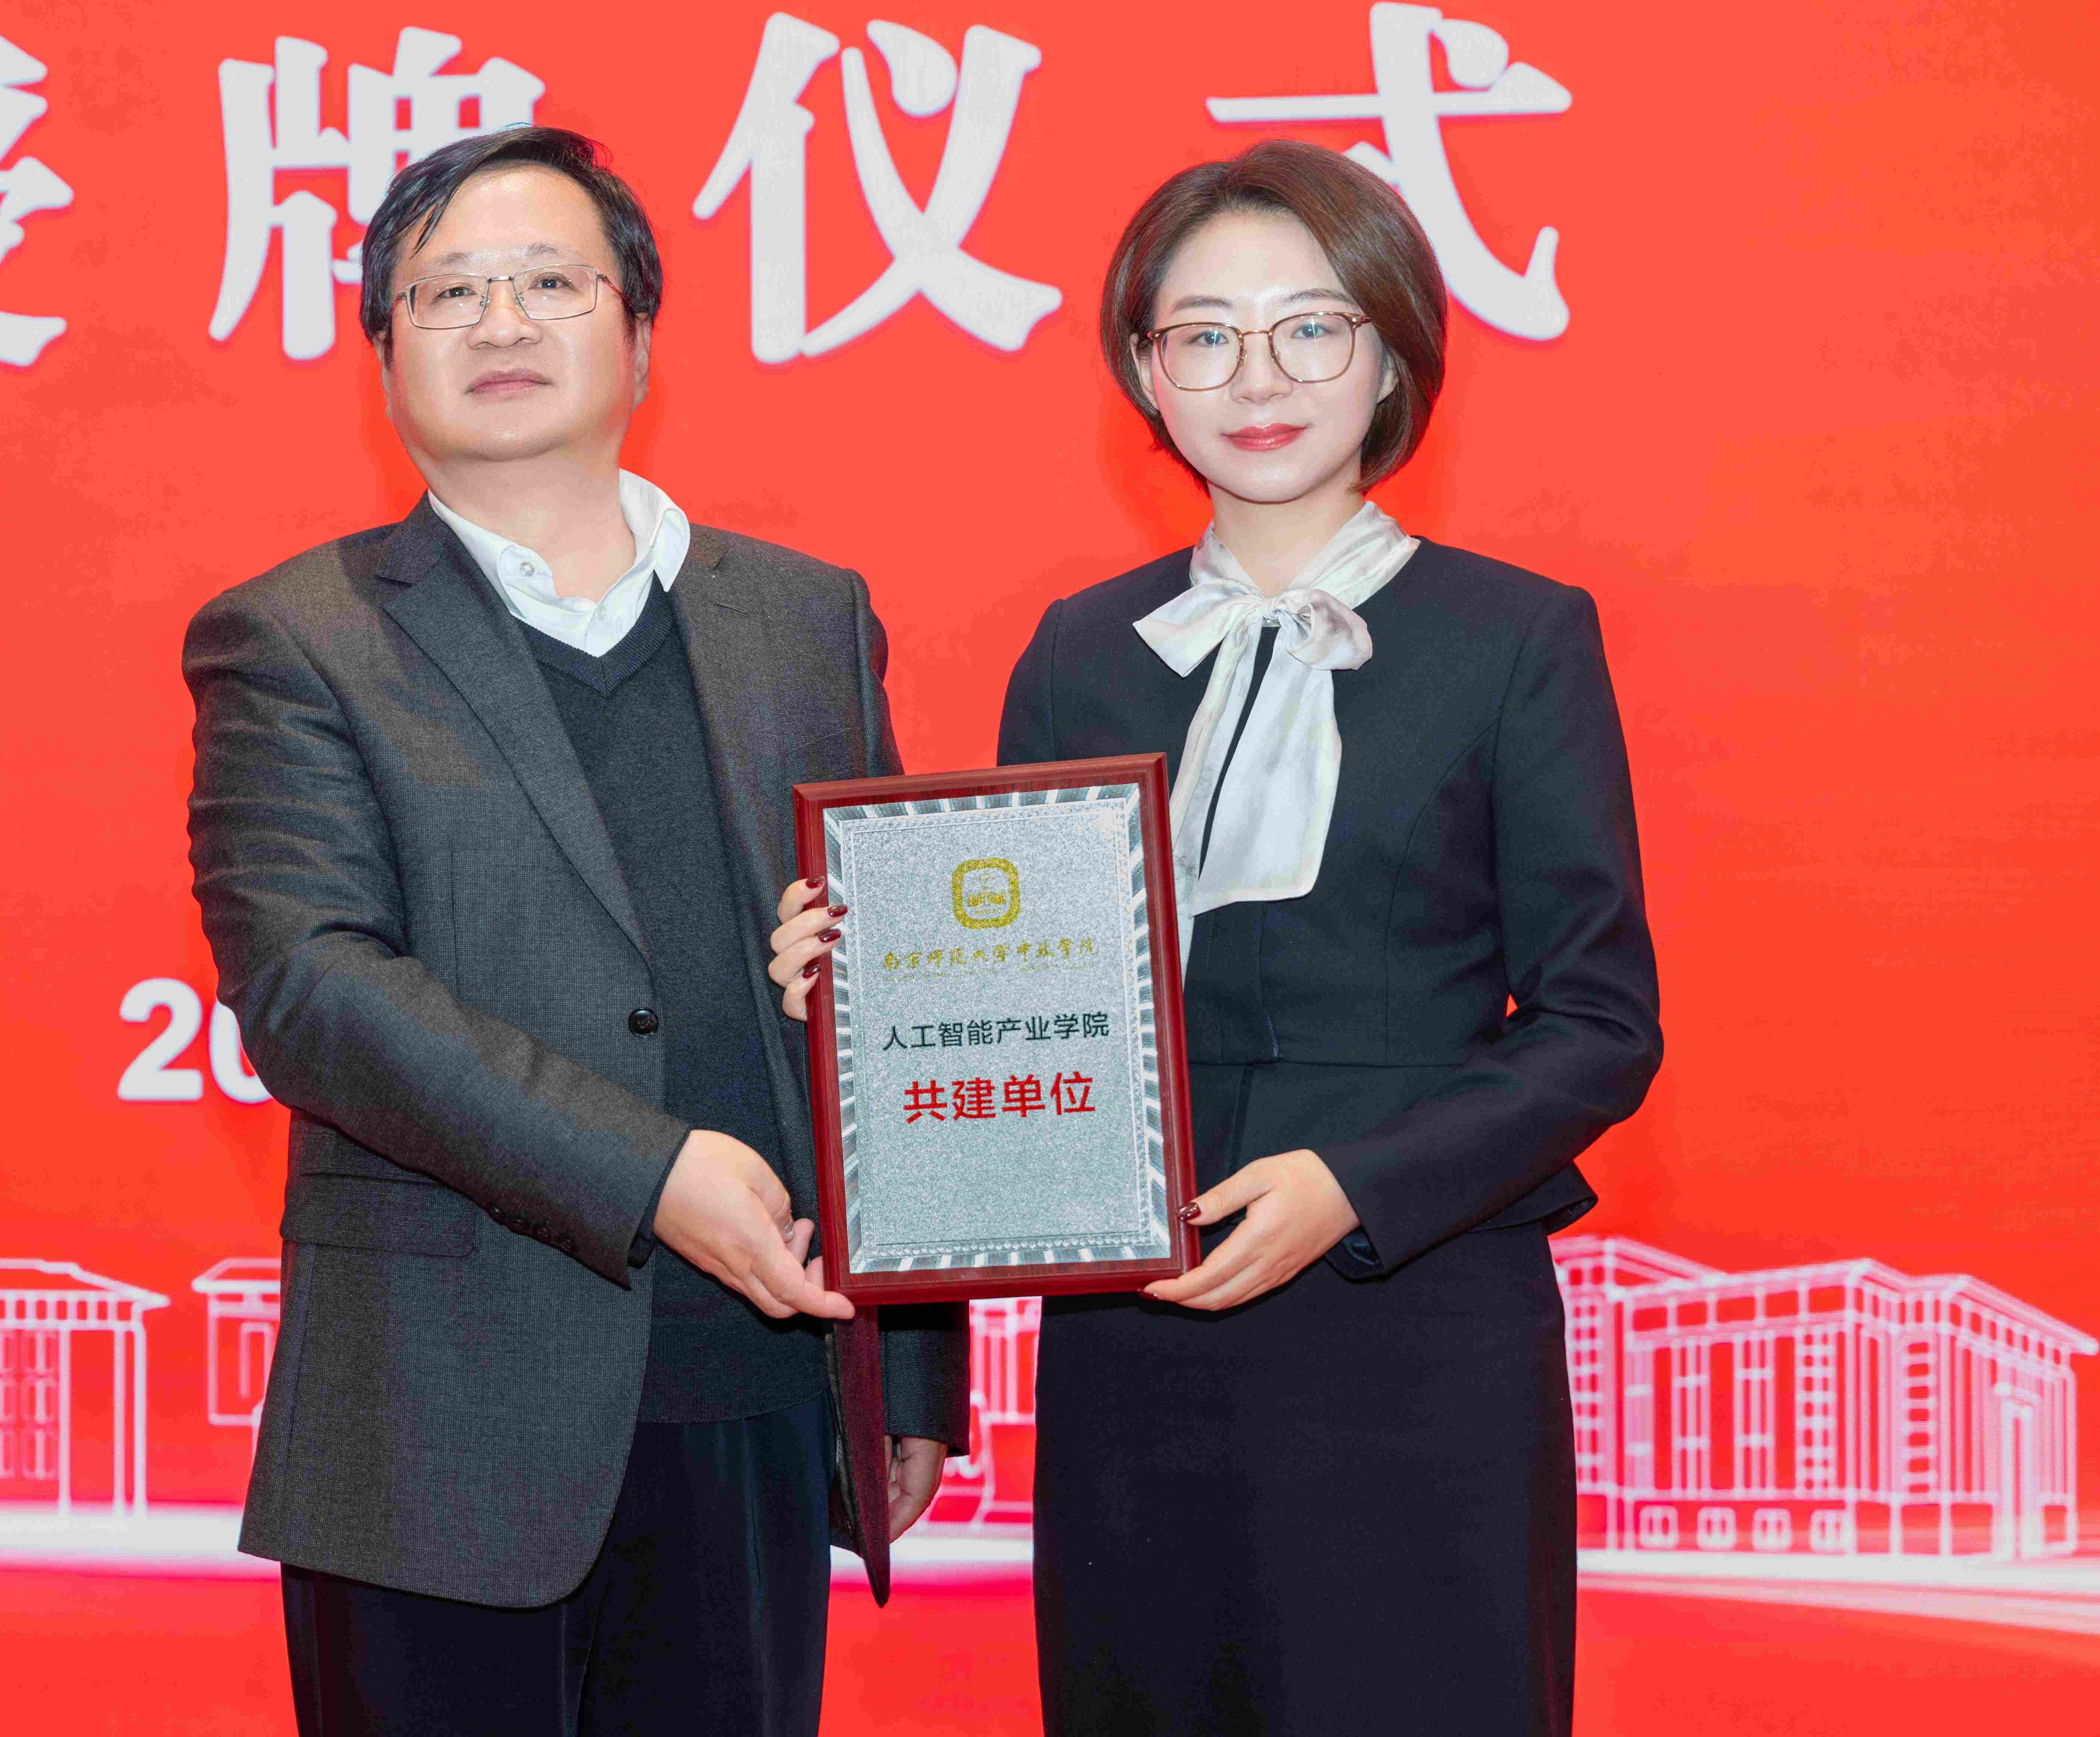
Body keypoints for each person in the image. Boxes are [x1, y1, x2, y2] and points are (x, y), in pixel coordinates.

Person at [773, 139, 1660, 1734]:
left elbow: (1600, 1026)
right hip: (1136, 1338)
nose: (1258, 377)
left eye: (1310, 328)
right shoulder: (1081, 653)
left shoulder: (1517, 636)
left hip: (1416, 1323)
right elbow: (1022, 1006)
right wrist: (862, 983)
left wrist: (1354, 1188)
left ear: (1391, 356)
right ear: (1146, 376)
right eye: (1203, 335)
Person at [184, 127, 967, 1737]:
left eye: (552, 282)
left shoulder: (805, 617)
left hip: (757, 1390)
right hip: (437, 1427)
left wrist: (909, 1364)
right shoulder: (296, 636)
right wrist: (651, 1172)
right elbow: (315, 990)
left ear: (641, 335)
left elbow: (889, 982)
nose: (502, 321)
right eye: (448, 291)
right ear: (383, 353)